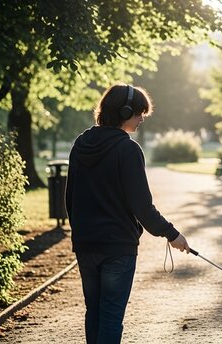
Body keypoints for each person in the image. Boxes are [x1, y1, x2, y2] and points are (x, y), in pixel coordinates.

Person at [65, 83, 190, 344]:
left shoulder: (80, 144)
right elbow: (142, 206)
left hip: (86, 245)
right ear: (124, 112)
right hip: (117, 248)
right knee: (110, 317)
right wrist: (172, 234)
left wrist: (81, 232)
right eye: (139, 112)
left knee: (95, 313)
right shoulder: (128, 150)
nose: (142, 118)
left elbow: (70, 198)